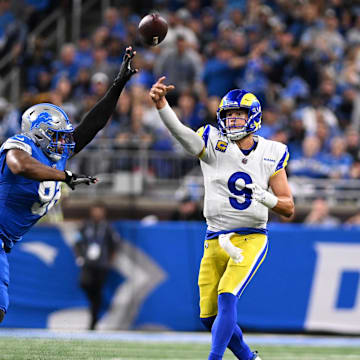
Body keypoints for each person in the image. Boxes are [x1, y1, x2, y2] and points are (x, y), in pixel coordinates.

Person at [149, 77, 294, 360]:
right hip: (214, 236)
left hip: (251, 236)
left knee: (227, 294)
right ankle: (249, 359)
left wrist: (265, 197)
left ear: (253, 118)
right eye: (228, 115)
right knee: (208, 316)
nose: (233, 121)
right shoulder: (213, 141)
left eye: (239, 115)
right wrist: (162, 105)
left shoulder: (271, 152)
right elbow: (183, 135)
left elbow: (289, 208)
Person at [0, 46, 137, 324]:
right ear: (38, 134)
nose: (64, 142)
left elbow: (93, 124)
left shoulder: (57, 154)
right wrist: (64, 176)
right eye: (56, 136)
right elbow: (19, 165)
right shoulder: (21, 145)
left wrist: (118, 85)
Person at [73, 202, 121, 330]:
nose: (97, 213)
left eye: (99, 211)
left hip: (101, 264)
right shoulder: (85, 226)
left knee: (98, 289)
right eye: (95, 210)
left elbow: (115, 245)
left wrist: (110, 261)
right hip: (88, 263)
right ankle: (93, 304)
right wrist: (79, 256)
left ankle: (94, 320)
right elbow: (77, 241)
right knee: (84, 283)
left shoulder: (108, 227)